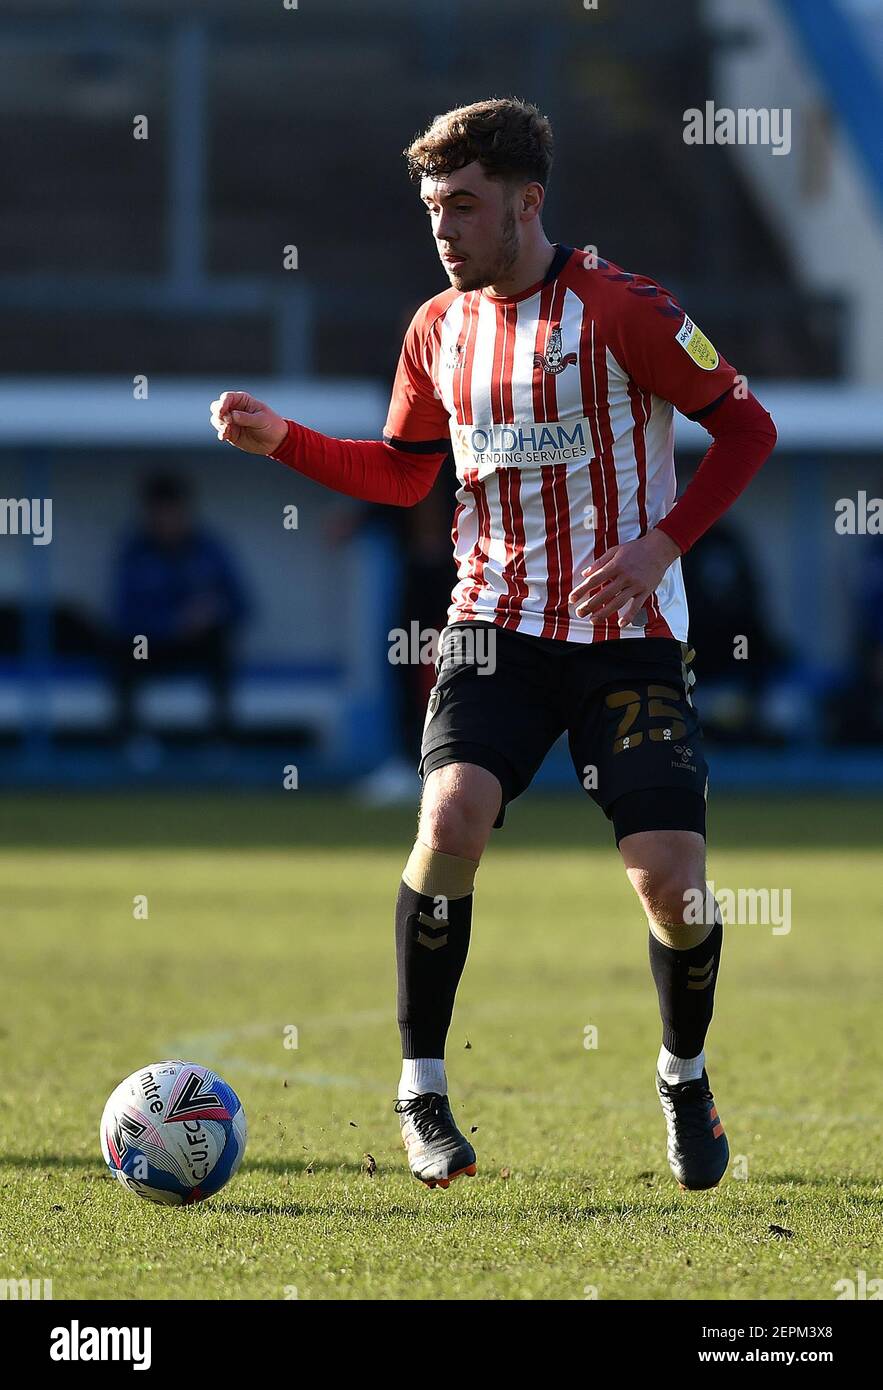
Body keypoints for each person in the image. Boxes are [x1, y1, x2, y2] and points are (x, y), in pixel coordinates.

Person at [209, 98, 777, 1191]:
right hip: (492, 623)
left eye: (464, 206)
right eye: (432, 208)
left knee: (671, 884)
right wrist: (285, 443)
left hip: (626, 635)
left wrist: (663, 542)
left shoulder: (623, 310)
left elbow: (745, 427)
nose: (445, 229)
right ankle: (422, 1087)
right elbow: (404, 472)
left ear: (528, 203)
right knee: (450, 812)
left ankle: (683, 1073)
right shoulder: (438, 327)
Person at [110, 473, 249, 743]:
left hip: (197, 646)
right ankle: (130, 741)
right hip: (152, 647)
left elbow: (242, 605)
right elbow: (123, 614)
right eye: (160, 514)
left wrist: (211, 612)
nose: (167, 522)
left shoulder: (209, 549)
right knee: (123, 652)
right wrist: (173, 623)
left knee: (220, 645)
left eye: (173, 512)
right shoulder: (135, 551)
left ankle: (221, 742)